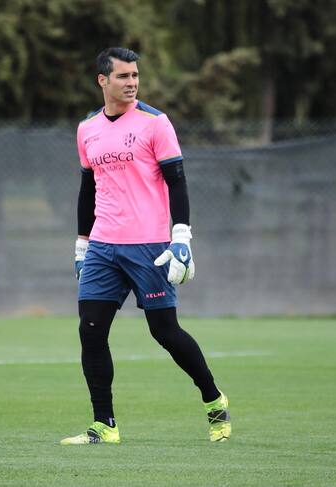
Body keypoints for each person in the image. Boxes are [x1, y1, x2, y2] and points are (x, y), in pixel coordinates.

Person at [60, 47, 230, 445]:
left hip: (149, 246)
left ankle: (213, 400)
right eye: (123, 76)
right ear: (103, 80)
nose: (132, 82)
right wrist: (82, 244)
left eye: (135, 75)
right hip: (103, 245)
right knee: (91, 330)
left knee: (165, 332)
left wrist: (181, 236)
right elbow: (88, 189)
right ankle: (104, 425)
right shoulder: (87, 129)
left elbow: (177, 181)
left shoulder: (156, 123)